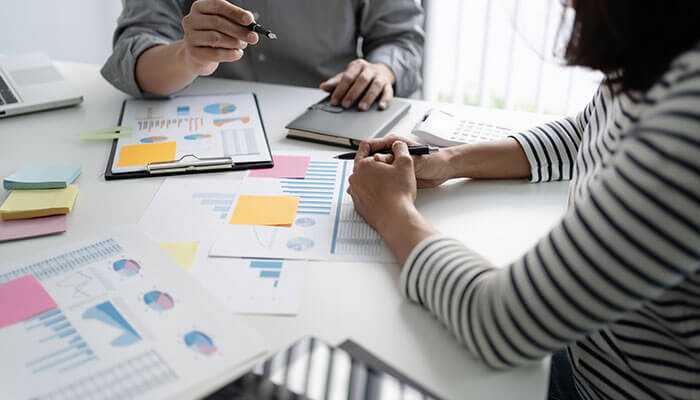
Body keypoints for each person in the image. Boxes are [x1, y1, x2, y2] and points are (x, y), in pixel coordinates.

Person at [347, 1, 700, 399]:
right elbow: (588, 129)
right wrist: (447, 161)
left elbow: (501, 322)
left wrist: (393, 212)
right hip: (584, 349)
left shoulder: (689, 123)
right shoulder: (660, 51)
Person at [101, 0, 424, 111]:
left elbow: (401, 38)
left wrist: (381, 70)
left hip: (325, 119)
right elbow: (134, 54)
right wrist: (188, 57)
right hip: (202, 128)